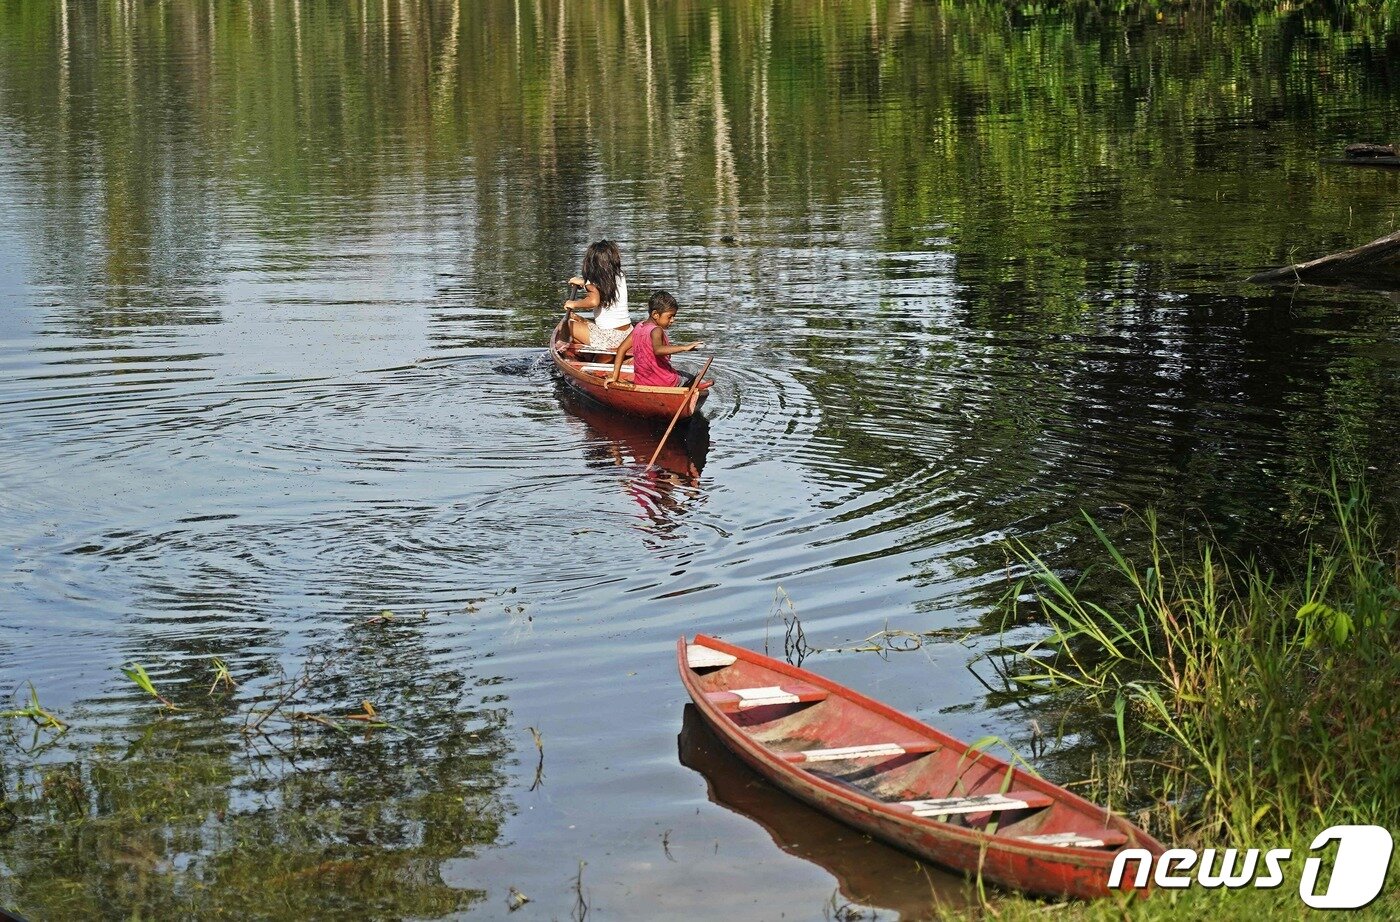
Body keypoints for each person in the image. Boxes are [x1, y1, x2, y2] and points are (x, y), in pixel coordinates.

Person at [605, 290, 703, 388]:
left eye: (674, 316)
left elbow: (621, 349)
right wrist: (685, 347)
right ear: (655, 314)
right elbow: (658, 350)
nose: (673, 320)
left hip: (642, 382)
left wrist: (615, 376)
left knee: (676, 367)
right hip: (665, 382)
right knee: (693, 367)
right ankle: (687, 388)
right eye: (670, 317)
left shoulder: (639, 327)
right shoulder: (657, 330)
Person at [564, 240, 630, 349]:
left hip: (608, 337)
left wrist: (573, 304)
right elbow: (602, 286)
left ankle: (566, 353)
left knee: (567, 324)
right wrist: (584, 283)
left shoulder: (593, 280)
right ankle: (593, 356)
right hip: (627, 335)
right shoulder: (620, 275)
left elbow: (593, 301)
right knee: (575, 317)